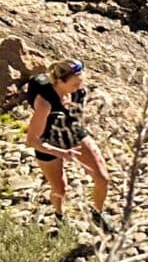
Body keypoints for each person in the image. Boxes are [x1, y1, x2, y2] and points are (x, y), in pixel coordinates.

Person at [23, 57, 110, 227]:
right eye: (74, 85)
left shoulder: (77, 91)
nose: (79, 89)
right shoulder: (44, 103)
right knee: (59, 188)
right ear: (59, 82)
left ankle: (98, 214)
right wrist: (61, 153)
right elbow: (32, 140)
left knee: (102, 178)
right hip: (48, 141)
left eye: (80, 83)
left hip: (72, 133)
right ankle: (59, 215)